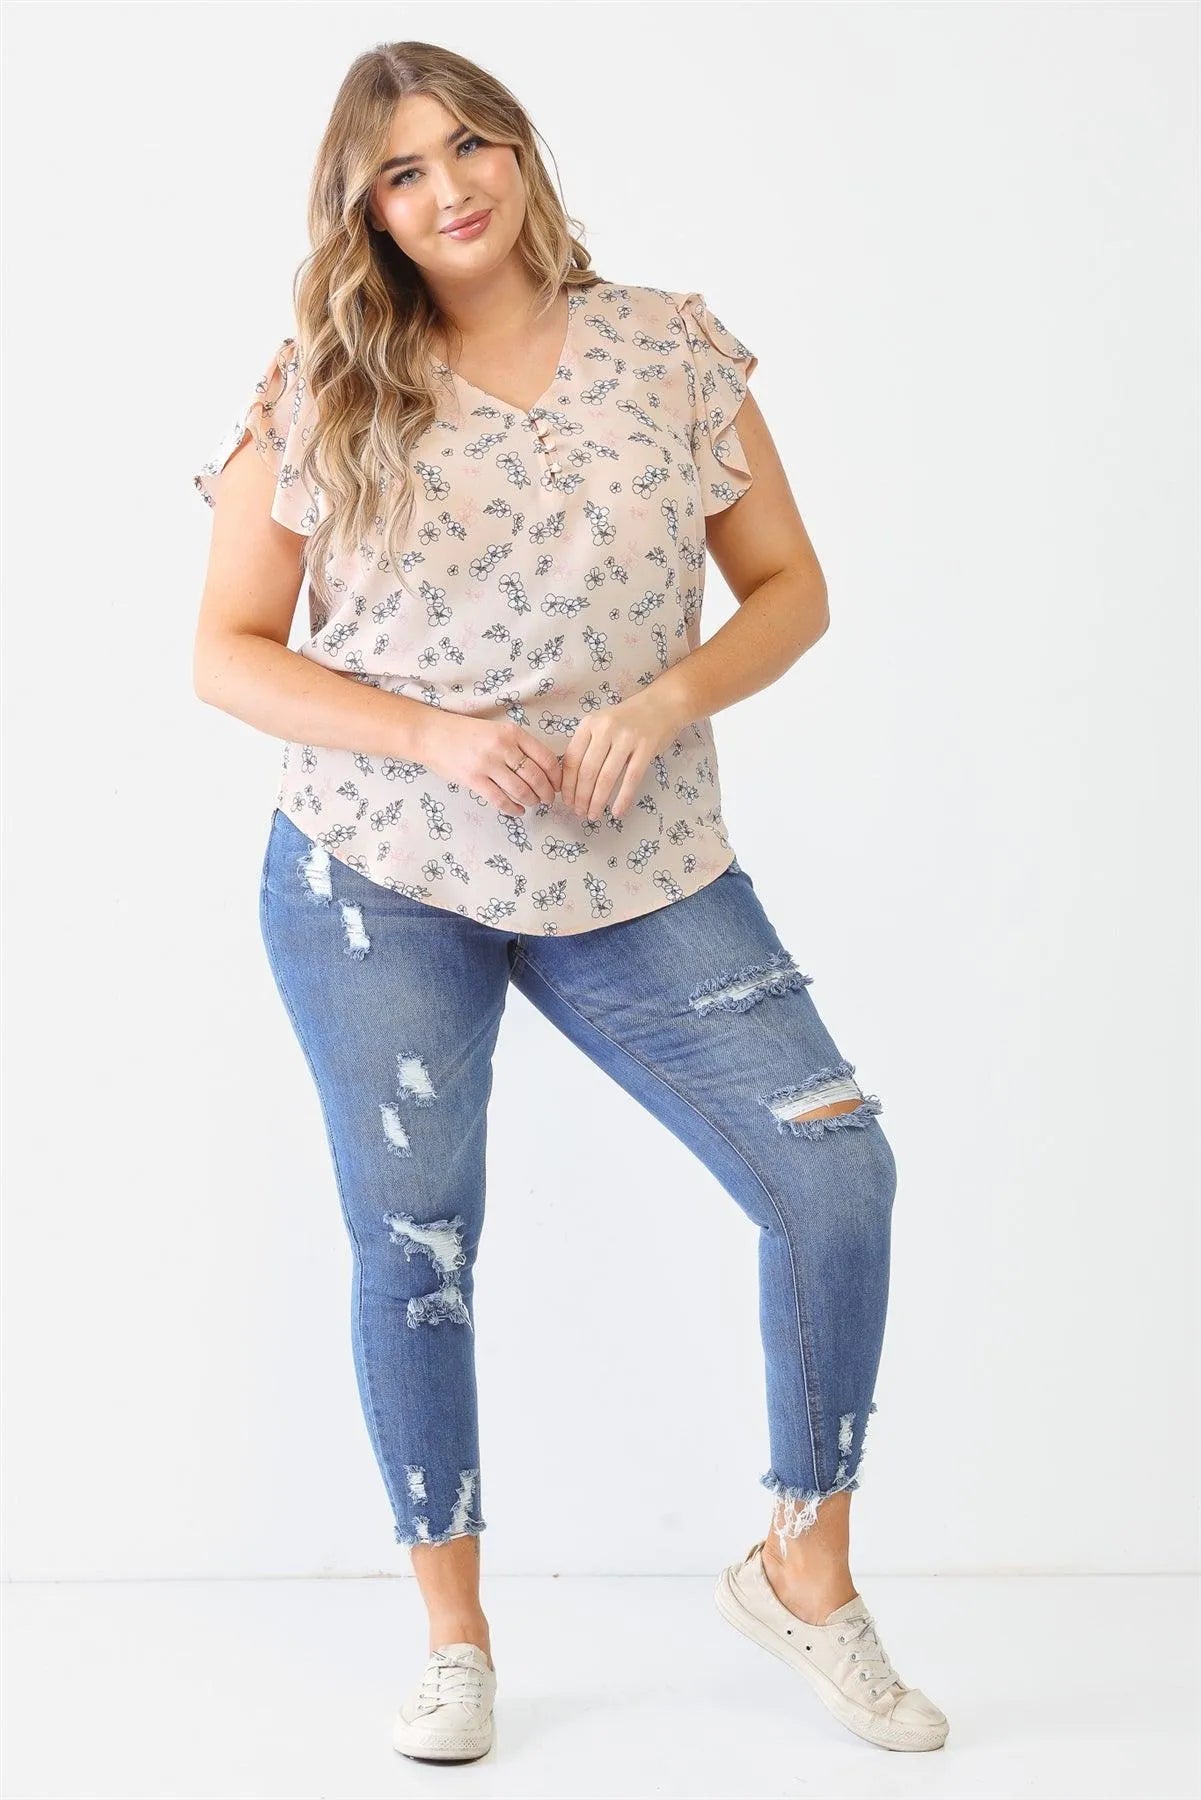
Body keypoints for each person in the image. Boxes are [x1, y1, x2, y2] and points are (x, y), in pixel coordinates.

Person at [191, 38, 948, 1765]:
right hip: (379, 872)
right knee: (416, 1241)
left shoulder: (668, 348)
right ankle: (454, 1640)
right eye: (402, 171)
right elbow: (224, 652)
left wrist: (665, 701)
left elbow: (788, 587)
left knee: (833, 1173)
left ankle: (801, 1568)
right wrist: (432, 737)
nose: (448, 187)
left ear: (520, 154)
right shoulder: (320, 384)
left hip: (639, 862)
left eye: (470, 146)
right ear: (364, 210)